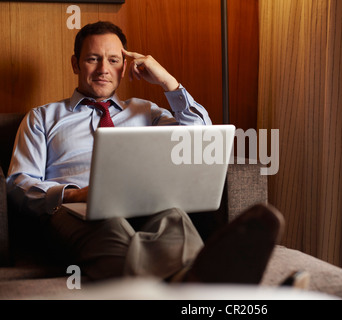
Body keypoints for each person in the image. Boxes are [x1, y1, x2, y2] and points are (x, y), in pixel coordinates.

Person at [6, 21, 284, 284]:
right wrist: (75, 194)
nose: (104, 68)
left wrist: (169, 83)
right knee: (110, 227)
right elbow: (18, 183)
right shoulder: (42, 118)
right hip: (74, 210)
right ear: (75, 63)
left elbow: (200, 139)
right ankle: (205, 283)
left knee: (175, 219)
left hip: (145, 205)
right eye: (93, 58)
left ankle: (189, 282)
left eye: (113, 60)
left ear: (124, 68)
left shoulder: (145, 111)